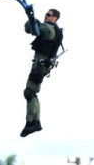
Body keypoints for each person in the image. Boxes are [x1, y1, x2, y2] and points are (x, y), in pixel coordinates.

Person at [21, 8, 63, 137]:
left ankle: (30, 123)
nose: (46, 16)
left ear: (55, 18)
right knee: (32, 92)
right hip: (41, 66)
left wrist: (33, 20)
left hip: (40, 67)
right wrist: (32, 20)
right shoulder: (52, 29)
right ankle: (36, 122)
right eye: (45, 14)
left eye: (49, 15)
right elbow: (30, 28)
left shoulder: (49, 29)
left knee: (29, 92)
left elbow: (33, 29)